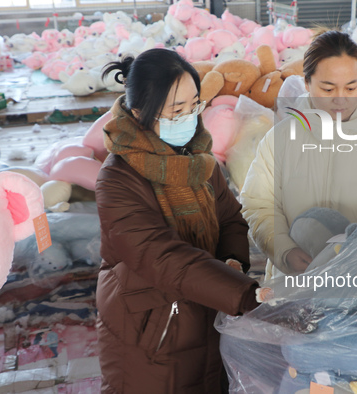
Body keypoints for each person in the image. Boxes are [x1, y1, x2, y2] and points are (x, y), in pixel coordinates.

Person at [94, 48, 260, 394]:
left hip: (206, 306)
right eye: (175, 111)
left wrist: (232, 262)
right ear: (140, 113)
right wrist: (242, 294)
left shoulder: (198, 160)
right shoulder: (118, 179)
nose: (188, 117)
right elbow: (160, 256)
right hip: (150, 329)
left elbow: (230, 217)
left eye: (194, 105)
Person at [241, 30, 357, 280]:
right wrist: (285, 250)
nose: (341, 100)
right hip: (295, 280)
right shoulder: (280, 139)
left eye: (351, 87)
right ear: (307, 83)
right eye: (328, 89)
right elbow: (259, 203)